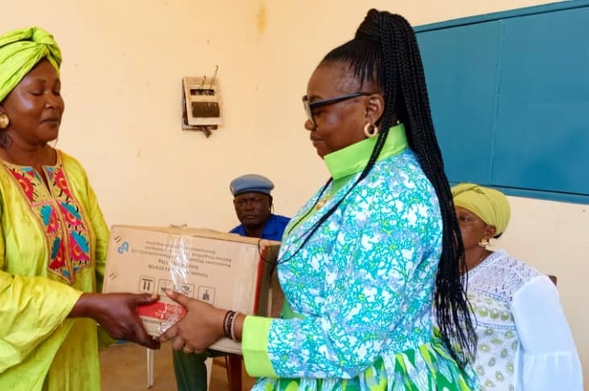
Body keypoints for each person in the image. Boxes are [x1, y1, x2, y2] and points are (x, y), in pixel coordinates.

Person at [159, 9, 478, 390]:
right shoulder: (354, 178)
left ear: (371, 109)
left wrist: (227, 322)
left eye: (319, 109)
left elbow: (347, 347)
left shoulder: (396, 196)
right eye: (307, 107)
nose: (308, 123)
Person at [0, 27, 159, 391]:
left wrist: (159, 299)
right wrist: (83, 303)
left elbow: (103, 258)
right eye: (37, 92)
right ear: (1, 103)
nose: (54, 102)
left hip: (68, 351)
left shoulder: (70, 169)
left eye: (57, 90)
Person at [451, 183, 582, 390]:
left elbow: (548, 357)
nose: (451, 224)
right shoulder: (430, 272)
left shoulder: (521, 282)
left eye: (464, 219)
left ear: (488, 231)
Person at [172, 174, 291, 391]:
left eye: (255, 200)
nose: (248, 207)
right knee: (185, 342)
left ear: (269, 203)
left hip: (279, 326)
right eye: (242, 202)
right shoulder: (229, 241)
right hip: (235, 322)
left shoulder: (291, 231)